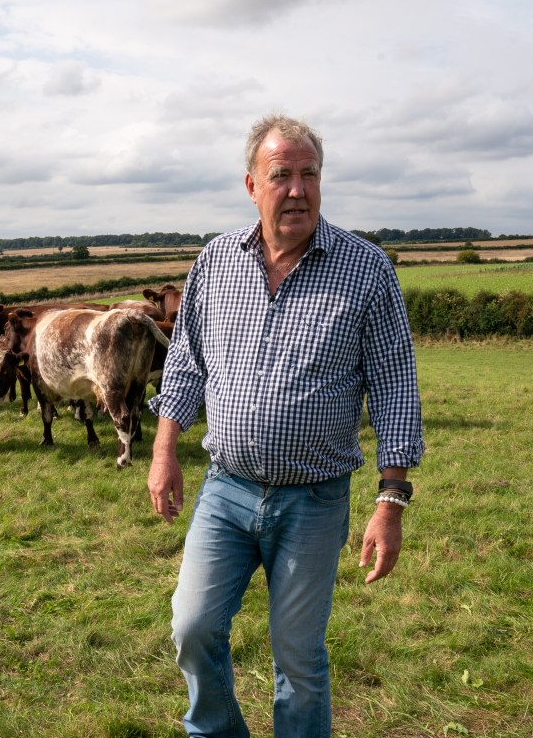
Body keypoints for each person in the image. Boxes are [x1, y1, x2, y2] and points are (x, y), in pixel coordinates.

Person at [147, 114, 424, 737]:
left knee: (297, 657)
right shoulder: (217, 263)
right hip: (228, 488)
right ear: (252, 185)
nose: (297, 189)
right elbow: (187, 361)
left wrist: (391, 500)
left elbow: (394, 389)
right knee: (192, 628)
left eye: (309, 174)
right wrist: (165, 450)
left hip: (314, 499)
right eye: (282, 175)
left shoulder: (366, 270)